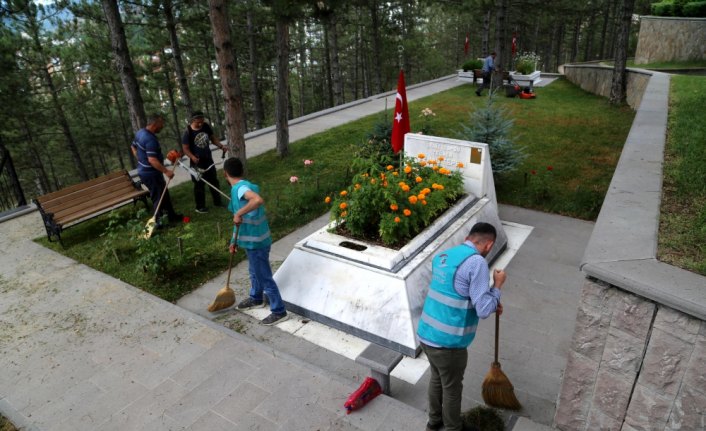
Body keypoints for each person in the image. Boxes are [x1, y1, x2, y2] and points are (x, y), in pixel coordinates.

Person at [417, 222, 506, 431]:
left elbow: (458, 294)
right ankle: (453, 428)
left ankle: (434, 421)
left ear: (469, 237)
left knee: (437, 379)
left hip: (427, 334)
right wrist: (498, 286)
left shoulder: (446, 255)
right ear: (489, 244)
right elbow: (483, 309)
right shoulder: (477, 264)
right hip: (448, 343)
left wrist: (492, 299)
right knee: (452, 388)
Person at [224, 157, 288, 326]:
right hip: (254, 241)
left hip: (257, 243)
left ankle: (279, 310)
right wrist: (234, 241)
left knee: (264, 275)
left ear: (225, 174)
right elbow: (238, 220)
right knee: (254, 271)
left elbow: (257, 200)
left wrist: (239, 214)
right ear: (242, 172)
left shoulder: (240, 189)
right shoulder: (244, 186)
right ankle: (256, 297)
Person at [131, 113, 182, 226]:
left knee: (164, 193)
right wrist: (166, 171)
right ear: (155, 124)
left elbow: (133, 146)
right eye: (161, 123)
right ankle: (158, 223)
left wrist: (139, 158)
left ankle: (171, 216)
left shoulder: (140, 133)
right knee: (158, 197)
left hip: (147, 171)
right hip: (150, 174)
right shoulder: (150, 139)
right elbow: (152, 160)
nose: (162, 125)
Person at [181, 111, 228, 213]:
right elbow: (185, 149)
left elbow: (213, 138)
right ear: (193, 120)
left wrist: (221, 146)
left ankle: (218, 201)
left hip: (208, 159)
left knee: (214, 181)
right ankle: (200, 207)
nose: (201, 124)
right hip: (196, 163)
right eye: (199, 122)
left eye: (202, 121)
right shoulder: (188, 132)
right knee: (199, 184)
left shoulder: (206, 126)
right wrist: (192, 157)